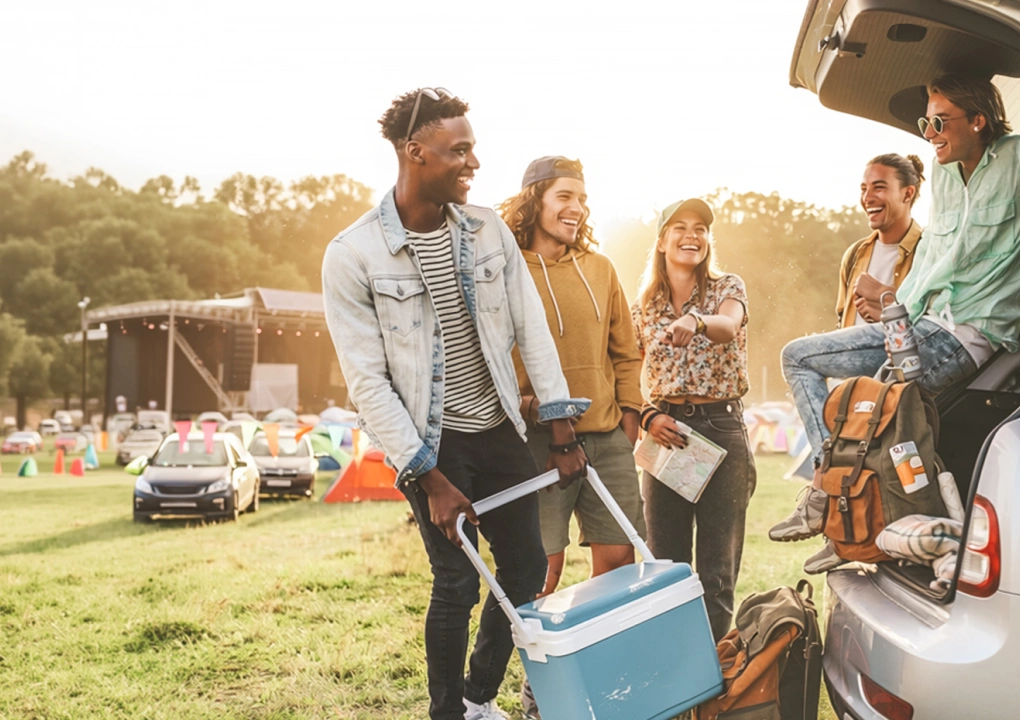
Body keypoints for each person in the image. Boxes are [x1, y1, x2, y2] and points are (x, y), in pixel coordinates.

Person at [322, 88, 590, 720]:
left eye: (472, 149)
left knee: (524, 570)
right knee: (457, 582)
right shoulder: (353, 254)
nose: (474, 162)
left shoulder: (487, 229)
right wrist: (429, 477)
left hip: (497, 427)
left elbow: (531, 329)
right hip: (431, 444)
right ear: (414, 152)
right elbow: (368, 383)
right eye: (459, 151)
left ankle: (477, 699)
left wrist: (562, 430)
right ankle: (447, 713)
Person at [770, 75, 1020, 567]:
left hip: (969, 332)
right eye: (926, 121)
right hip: (920, 322)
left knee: (871, 412)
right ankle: (838, 509)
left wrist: (889, 301)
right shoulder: (945, 175)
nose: (929, 132)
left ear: (978, 120)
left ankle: (837, 512)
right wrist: (896, 310)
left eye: (940, 121)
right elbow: (934, 260)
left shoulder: (1015, 160)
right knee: (814, 371)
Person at [500, 157, 644, 720]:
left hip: (606, 438)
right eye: (564, 196)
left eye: (582, 198)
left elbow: (625, 351)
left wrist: (629, 415)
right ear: (534, 199)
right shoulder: (505, 269)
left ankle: (600, 678)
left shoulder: (600, 268)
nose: (576, 208)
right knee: (544, 570)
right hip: (536, 444)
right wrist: (527, 408)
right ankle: (542, 686)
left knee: (620, 561)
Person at [631, 198, 756, 642]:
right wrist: (646, 415)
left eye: (700, 228)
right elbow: (625, 372)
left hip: (721, 429)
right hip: (666, 432)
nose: (692, 235)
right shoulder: (643, 308)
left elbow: (728, 325)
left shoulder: (727, 288)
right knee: (666, 565)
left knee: (717, 570)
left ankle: (711, 673)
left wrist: (696, 321)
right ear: (662, 241)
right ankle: (673, 666)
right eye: (680, 227)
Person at [836, 154, 925, 329]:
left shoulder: (929, 252)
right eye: (864, 189)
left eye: (879, 188)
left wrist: (887, 310)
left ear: (907, 193)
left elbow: (937, 327)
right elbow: (842, 320)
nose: (867, 198)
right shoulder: (854, 255)